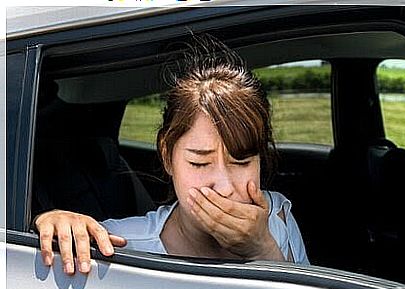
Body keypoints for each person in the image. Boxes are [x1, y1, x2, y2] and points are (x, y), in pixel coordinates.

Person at [34, 34, 309, 275]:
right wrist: (51, 223)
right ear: (167, 155)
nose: (224, 188)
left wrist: (263, 249)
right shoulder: (120, 244)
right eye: (199, 162)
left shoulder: (277, 218)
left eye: (242, 162)